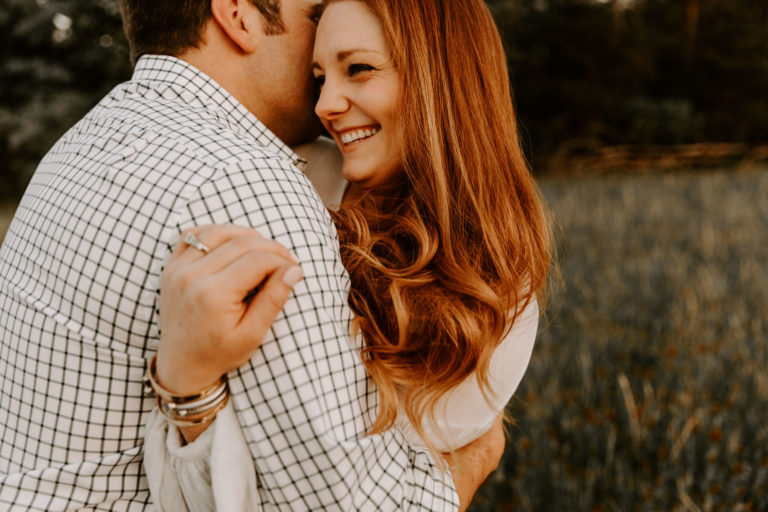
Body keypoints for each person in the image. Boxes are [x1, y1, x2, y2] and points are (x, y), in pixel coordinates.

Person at [0, 0, 503, 510]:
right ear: (237, 14)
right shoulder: (241, 179)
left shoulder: (86, 140)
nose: (326, 94)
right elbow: (347, 504)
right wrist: (477, 456)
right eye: (312, 15)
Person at [144, 0, 551, 510]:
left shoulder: (500, 300)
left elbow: (334, 495)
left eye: (358, 69)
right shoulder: (290, 181)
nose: (325, 105)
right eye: (319, 78)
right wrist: (187, 388)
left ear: (441, 79)